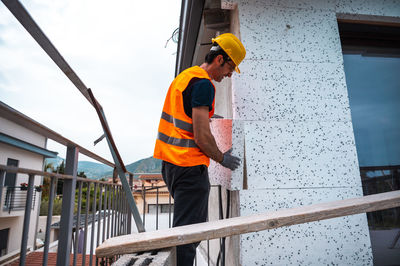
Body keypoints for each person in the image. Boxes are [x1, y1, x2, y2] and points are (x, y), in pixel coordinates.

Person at [153, 33, 246, 266]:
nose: (229, 74)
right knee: (188, 235)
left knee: (183, 229)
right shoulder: (204, 85)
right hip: (189, 169)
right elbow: (202, 137)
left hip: (172, 166)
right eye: (230, 67)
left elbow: (186, 116)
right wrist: (221, 158)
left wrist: (210, 117)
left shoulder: (186, 76)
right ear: (220, 59)